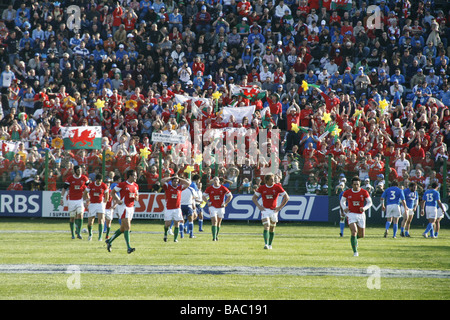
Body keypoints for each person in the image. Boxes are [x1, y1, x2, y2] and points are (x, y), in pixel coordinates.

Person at [252, 174, 289, 249]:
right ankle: (266, 244)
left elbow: (286, 197)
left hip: (274, 211)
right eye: (272, 179)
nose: (274, 181)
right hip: (265, 210)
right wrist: (259, 206)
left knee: (272, 228)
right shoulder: (262, 188)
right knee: (267, 226)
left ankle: (270, 245)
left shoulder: (277, 187)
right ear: (267, 180)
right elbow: (254, 198)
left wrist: (280, 207)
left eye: (274, 179)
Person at [106, 170, 139, 253]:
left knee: (123, 228)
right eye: (134, 175)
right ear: (130, 176)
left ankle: (109, 241)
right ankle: (128, 247)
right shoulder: (122, 184)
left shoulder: (135, 185)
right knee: (128, 227)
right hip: (124, 207)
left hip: (131, 207)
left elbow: (137, 197)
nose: (136, 177)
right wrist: (118, 200)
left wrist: (135, 196)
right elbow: (112, 193)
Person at [340, 176, 373, 257]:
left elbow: (370, 202)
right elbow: (342, 201)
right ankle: (355, 252)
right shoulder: (347, 192)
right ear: (352, 185)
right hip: (351, 214)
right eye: (354, 184)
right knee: (354, 231)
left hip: (361, 215)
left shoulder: (364, 192)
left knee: (361, 235)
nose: (356, 186)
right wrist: (345, 208)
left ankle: (354, 240)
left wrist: (364, 208)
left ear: (360, 184)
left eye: (357, 184)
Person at [60, 165, 90, 239]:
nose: (80, 172)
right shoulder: (70, 179)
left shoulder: (84, 178)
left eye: (80, 170)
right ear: (75, 171)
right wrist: (61, 198)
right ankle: (73, 234)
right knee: (72, 217)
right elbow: (64, 188)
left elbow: (89, 188)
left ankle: (79, 233)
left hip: (80, 199)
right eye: (78, 170)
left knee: (80, 214)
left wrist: (88, 198)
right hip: (71, 200)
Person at [161, 175, 191, 242]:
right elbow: (162, 181)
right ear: (172, 181)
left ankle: (175, 239)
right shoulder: (168, 187)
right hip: (169, 208)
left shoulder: (180, 188)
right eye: (174, 181)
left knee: (177, 223)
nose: (175, 182)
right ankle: (165, 234)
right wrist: (171, 177)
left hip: (177, 208)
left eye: (177, 181)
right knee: (167, 224)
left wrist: (179, 178)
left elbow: (188, 184)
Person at [203, 176, 233, 241]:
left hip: (221, 207)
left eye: (216, 180)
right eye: (214, 180)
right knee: (214, 221)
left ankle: (216, 235)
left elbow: (230, 196)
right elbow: (203, 196)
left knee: (219, 222)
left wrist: (225, 203)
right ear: (213, 181)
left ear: (219, 181)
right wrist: (208, 202)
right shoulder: (209, 188)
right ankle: (214, 237)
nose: (215, 181)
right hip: (212, 206)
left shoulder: (223, 188)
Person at [84, 173, 109, 241]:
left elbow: (107, 193)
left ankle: (100, 237)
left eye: (100, 181)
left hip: (100, 204)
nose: (99, 182)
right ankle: (90, 235)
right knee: (90, 222)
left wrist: (105, 201)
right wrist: (84, 202)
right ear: (95, 180)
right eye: (98, 181)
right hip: (92, 204)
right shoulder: (91, 185)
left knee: (101, 220)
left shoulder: (103, 185)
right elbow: (85, 192)